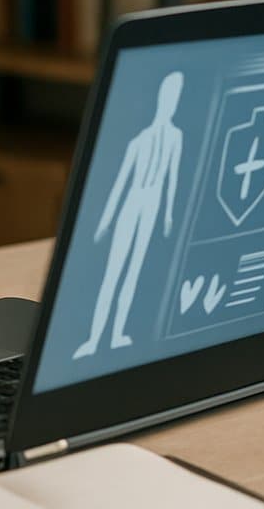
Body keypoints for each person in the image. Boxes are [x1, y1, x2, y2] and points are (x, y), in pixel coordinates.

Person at [73, 71, 183, 358]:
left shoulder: (175, 137)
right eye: (168, 95)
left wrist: (169, 215)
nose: (170, 101)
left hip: (152, 206)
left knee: (133, 271)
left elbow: (171, 180)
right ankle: (95, 338)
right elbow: (121, 183)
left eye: (175, 96)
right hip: (132, 204)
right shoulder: (140, 140)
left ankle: (117, 333)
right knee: (113, 271)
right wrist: (107, 220)